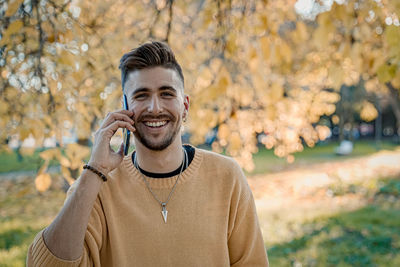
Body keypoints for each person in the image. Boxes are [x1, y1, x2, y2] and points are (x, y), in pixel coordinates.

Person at [27, 41, 269, 266]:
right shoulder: (97, 185)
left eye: (166, 94)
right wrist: (95, 171)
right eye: (141, 95)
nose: (155, 108)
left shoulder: (227, 176)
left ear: (184, 106)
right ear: (125, 108)